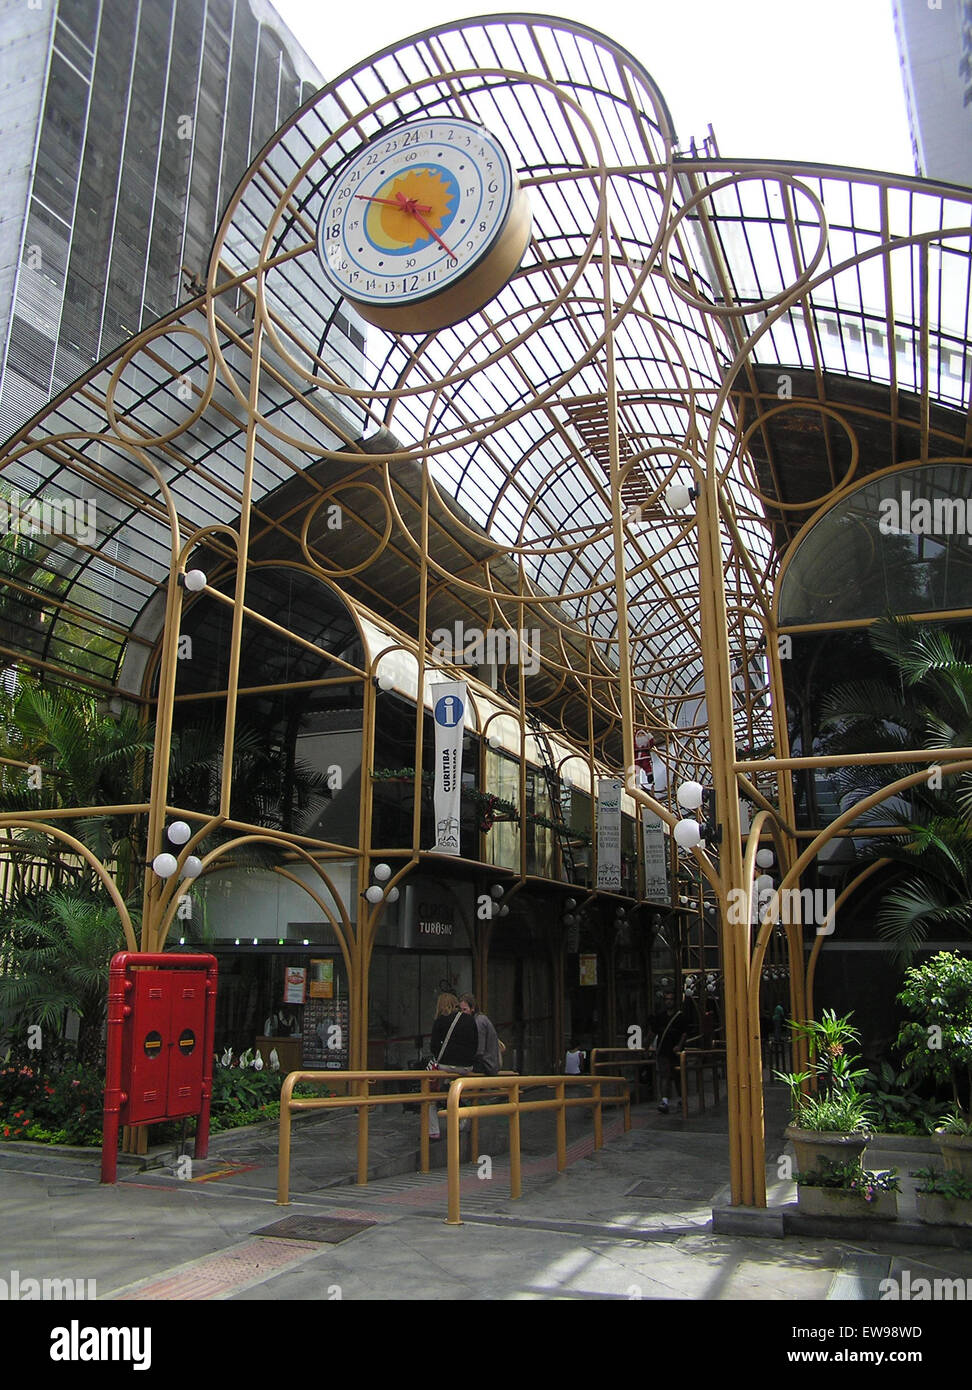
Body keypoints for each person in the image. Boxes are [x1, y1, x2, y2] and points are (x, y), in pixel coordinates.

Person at [426, 992, 477, 1138]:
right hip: (466, 1066)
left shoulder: (440, 1021)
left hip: (446, 1065)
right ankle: (463, 1116)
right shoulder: (469, 1019)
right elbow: (475, 1044)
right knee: (453, 1091)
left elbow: (434, 1047)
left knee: (429, 1094)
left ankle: (433, 1130)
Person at [651, 991, 691, 1113]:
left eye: (671, 999)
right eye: (667, 999)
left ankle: (681, 1098)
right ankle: (664, 1101)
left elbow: (684, 1033)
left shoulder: (680, 1017)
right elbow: (653, 1032)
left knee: (678, 1076)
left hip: (676, 1053)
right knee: (665, 1075)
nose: (669, 1001)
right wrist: (646, 1046)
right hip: (663, 1051)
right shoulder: (660, 1017)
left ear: (674, 1001)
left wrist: (679, 1045)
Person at [459, 993, 502, 1076]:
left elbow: (479, 1050)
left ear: (472, 1008)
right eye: (460, 1010)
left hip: (486, 1065)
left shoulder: (479, 1022)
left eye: (464, 1010)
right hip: (487, 1063)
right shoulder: (477, 1020)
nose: (462, 1013)